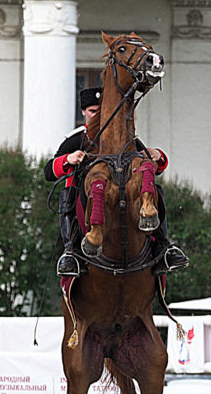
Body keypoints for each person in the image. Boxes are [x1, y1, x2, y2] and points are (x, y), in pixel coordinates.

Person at [44, 86, 189, 277]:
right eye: (92, 112)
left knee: (156, 189)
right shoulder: (76, 139)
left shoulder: (124, 140)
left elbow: (154, 166)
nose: (96, 116)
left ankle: (163, 247)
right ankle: (71, 251)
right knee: (68, 194)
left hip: (123, 197)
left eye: (100, 111)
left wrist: (157, 155)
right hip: (84, 196)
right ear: (83, 112)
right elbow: (48, 172)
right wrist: (68, 160)